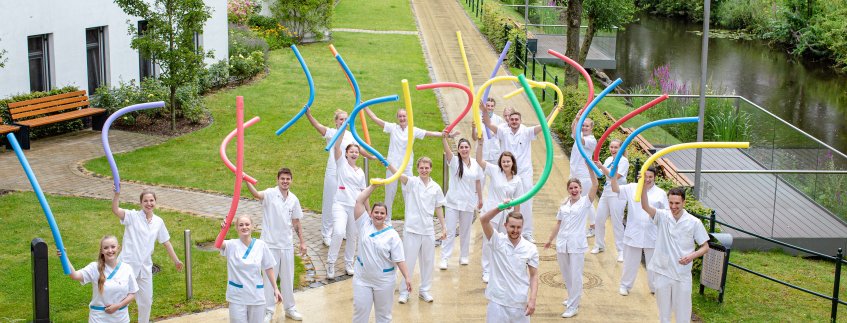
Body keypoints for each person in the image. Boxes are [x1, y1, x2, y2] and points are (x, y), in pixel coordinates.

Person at [111, 189, 183, 323]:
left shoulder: (158, 222)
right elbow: (115, 210)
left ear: (155, 202)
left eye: (151, 200)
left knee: (146, 302)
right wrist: (117, 195)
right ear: (140, 203)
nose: (149, 203)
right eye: (145, 201)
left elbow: (166, 242)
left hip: (145, 268)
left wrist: (176, 261)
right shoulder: (132, 216)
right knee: (119, 299)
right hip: (126, 267)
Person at [640, 187, 710, 323]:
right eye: (671, 203)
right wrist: (642, 185)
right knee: (663, 314)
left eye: (677, 203)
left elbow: (705, 247)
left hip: (682, 274)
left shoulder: (694, 222)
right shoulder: (662, 215)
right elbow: (644, 206)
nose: (673, 206)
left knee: (683, 314)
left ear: (684, 202)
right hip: (663, 272)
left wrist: (691, 256)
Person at [245, 167, 306, 322]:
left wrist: (302, 242)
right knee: (267, 279)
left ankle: (290, 308)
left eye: (288, 179)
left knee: (288, 278)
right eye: (282, 179)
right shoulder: (270, 194)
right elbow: (256, 194)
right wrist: (246, 180)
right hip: (269, 245)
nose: (285, 181)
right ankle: (268, 310)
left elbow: (296, 222)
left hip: (286, 244)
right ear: (277, 180)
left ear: (291, 180)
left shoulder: (294, 199)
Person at [364, 107, 446, 221]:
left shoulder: (413, 130)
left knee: (408, 194)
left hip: (406, 167)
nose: (402, 118)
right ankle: (387, 221)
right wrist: (366, 107)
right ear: (397, 118)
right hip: (392, 166)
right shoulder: (393, 128)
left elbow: (430, 133)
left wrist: (444, 134)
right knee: (389, 194)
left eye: (404, 116)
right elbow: (375, 118)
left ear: (408, 117)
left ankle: (410, 220)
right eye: (400, 116)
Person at [385, 157, 447, 304]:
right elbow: (399, 175)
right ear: (418, 169)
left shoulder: (436, 187)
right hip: (412, 229)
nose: (424, 170)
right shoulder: (412, 182)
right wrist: (388, 164)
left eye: (427, 168)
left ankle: (424, 290)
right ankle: (404, 291)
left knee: (427, 262)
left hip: (428, 230)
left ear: (431, 168)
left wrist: (444, 226)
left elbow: (438, 207)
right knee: (408, 262)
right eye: (421, 168)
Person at [352, 184, 412, 323]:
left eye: (382, 213)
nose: (378, 215)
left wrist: (407, 277)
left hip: (384, 281)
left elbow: (399, 259)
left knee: (384, 316)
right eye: (376, 212)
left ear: (386, 216)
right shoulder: (364, 224)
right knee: (360, 313)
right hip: (363, 279)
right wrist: (373, 186)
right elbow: (359, 201)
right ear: (371, 213)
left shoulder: (392, 235)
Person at [544, 172, 599, 318]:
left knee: (576, 275)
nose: (574, 190)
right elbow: (558, 223)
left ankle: (573, 306)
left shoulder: (585, 202)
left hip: (577, 244)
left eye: (576, 187)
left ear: (580, 189)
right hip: (562, 243)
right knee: (566, 274)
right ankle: (571, 297)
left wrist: (590, 167)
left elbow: (595, 185)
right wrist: (550, 239)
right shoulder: (564, 204)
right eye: (571, 188)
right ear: (568, 190)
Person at [483, 110, 544, 243]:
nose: (514, 121)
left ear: (520, 120)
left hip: (524, 172)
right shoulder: (503, 132)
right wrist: (484, 111)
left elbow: (544, 125)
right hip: (508, 172)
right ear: (508, 121)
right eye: (512, 119)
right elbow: (487, 123)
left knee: (526, 202)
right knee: (505, 200)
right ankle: (503, 228)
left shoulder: (527, 131)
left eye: (517, 119)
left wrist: (554, 111)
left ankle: (526, 232)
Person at [606, 166, 668, 296]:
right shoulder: (632, 187)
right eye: (646, 176)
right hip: (634, 233)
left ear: (655, 177)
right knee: (630, 263)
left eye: (651, 177)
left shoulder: (660, 193)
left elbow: (666, 213)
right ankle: (625, 286)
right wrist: (613, 176)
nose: (648, 179)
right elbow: (616, 189)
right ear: (640, 176)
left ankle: (654, 287)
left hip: (653, 234)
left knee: (653, 264)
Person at [305, 108, 355, 247]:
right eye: (341, 119)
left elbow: (359, 149)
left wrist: (372, 156)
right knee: (330, 202)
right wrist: (309, 114)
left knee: (345, 201)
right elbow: (317, 126)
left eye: (345, 119)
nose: (343, 121)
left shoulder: (351, 135)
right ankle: (326, 234)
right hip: (333, 172)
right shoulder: (332, 133)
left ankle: (342, 230)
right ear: (336, 121)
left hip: (346, 174)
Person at [479, 206, 539, 323]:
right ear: (505, 225)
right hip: (497, 303)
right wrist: (500, 208)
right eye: (512, 226)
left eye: (518, 227)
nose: (515, 230)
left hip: (520, 304)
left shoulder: (530, 248)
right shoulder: (497, 240)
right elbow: (483, 220)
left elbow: (534, 276)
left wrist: (532, 300)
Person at [476, 136, 523, 283]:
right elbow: (479, 161)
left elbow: (518, 200)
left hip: (507, 216)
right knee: (489, 241)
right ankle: (487, 270)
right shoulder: (494, 170)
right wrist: (481, 144)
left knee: (506, 242)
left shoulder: (517, 179)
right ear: (500, 163)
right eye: (503, 161)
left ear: (512, 163)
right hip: (492, 212)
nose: (506, 163)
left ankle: (502, 270)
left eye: (508, 161)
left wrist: (516, 217)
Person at [60, 235, 138, 323]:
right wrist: (65, 257)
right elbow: (74, 275)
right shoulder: (94, 268)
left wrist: (118, 306)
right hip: (99, 319)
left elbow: (132, 293)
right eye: (106, 248)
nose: (110, 250)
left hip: (121, 318)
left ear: (118, 248)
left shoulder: (127, 268)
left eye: (113, 247)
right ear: (101, 251)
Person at [220, 216, 283, 323]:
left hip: (256, 295)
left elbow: (268, 267)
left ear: (252, 226)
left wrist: (275, 288)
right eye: (241, 225)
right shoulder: (231, 244)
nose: (244, 227)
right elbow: (218, 244)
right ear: (236, 228)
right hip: (237, 296)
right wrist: (223, 230)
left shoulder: (260, 245)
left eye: (247, 224)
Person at [326, 129, 367, 279]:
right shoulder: (341, 163)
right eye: (352, 152)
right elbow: (337, 147)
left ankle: (349, 264)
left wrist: (367, 212)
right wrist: (343, 128)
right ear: (346, 154)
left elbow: (364, 193)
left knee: (353, 236)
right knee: (338, 232)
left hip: (355, 207)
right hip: (340, 205)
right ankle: (330, 263)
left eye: (357, 152)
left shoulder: (361, 172)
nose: (354, 154)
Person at [440, 132, 483, 270]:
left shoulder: (476, 164)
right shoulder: (454, 162)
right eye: (461, 147)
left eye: (466, 147)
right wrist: (444, 137)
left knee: (466, 230)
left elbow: (478, 182)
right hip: (453, 202)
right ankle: (444, 258)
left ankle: (464, 256)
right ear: (458, 150)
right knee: (450, 231)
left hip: (468, 202)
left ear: (469, 148)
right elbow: (447, 150)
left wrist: (480, 198)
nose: (464, 149)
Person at [593, 139, 629, 261]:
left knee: (617, 222)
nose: (613, 150)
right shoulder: (609, 159)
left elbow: (614, 176)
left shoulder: (624, 161)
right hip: (607, 191)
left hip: (618, 193)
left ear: (621, 149)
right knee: (599, 219)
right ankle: (599, 245)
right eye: (611, 147)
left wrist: (602, 167)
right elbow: (601, 174)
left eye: (616, 148)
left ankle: (621, 251)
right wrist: (595, 166)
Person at [570, 114, 598, 238]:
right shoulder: (579, 135)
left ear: (591, 128)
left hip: (585, 175)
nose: (584, 128)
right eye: (583, 125)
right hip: (575, 172)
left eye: (586, 126)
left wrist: (577, 121)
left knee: (586, 201)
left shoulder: (591, 140)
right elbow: (573, 131)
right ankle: (584, 225)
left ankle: (593, 227)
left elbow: (577, 136)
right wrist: (576, 119)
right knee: (580, 200)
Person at [479, 98, 506, 166]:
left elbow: (501, 135)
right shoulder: (478, 118)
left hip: (494, 153)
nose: (490, 108)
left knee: (495, 175)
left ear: (494, 107)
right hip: (483, 152)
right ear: (485, 106)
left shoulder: (499, 119)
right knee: (481, 175)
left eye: (492, 106)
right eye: (488, 105)